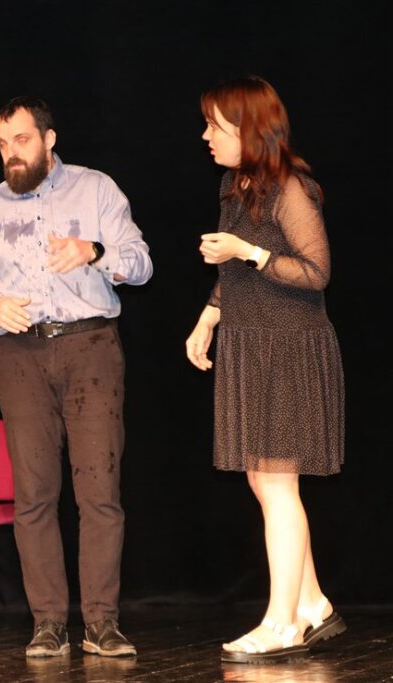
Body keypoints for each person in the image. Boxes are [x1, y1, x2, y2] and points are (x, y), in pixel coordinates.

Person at [0, 96, 152, 658]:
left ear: (48, 139)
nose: (11, 154)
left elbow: (141, 264)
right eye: (2, 144)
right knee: (33, 496)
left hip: (90, 348)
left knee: (99, 494)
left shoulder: (96, 188)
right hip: (20, 355)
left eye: (21, 140)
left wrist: (94, 251)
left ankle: (101, 623)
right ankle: (48, 623)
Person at [186, 76, 346, 664]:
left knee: (278, 484)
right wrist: (209, 316)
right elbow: (232, 274)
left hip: (290, 349)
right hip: (250, 345)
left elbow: (316, 272)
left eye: (216, 126)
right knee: (264, 480)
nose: (206, 136)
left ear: (248, 128)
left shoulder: (290, 187)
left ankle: (282, 623)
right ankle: (313, 604)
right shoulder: (235, 185)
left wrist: (249, 251)